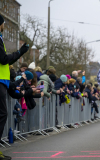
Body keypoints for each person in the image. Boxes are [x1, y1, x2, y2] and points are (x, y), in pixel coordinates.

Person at [0, 14, 29, 160]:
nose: (4, 26)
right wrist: (20, 52)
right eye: (3, 23)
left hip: (3, 83)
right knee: (2, 114)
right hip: (0, 82)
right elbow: (4, 59)